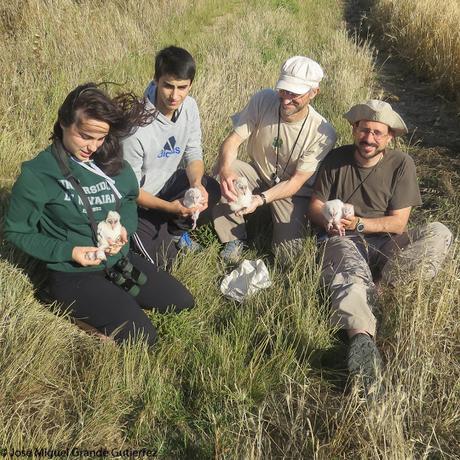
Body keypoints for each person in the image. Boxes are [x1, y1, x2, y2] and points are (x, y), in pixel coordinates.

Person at [4, 83, 194, 347]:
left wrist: (125, 231)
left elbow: (129, 198)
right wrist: (70, 252)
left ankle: (113, 299)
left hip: (118, 261)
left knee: (182, 302)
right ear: (62, 123)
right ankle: (57, 301)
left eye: (101, 137)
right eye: (84, 135)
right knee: (143, 338)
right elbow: (17, 231)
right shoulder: (38, 174)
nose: (92, 146)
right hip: (74, 273)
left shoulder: (109, 161)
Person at [309, 99, 452, 394]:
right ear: (354, 129)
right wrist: (328, 219)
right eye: (364, 131)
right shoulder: (336, 159)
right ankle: (362, 340)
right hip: (343, 239)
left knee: (439, 232)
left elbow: (399, 223)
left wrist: (358, 223)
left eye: (377, 133)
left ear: (390, 137)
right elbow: (315, 205)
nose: (369, 139)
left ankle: (382, 289)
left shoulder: (401, 164)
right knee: (347, 269)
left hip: (385, 243)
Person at [212, 55, 337, 262]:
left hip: (292, 193)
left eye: (295, 93)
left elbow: (296, 181)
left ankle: (283, 222)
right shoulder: (263, 100)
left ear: (314, 93)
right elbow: (233, 140)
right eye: (283, 90)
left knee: (288, 257)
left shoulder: (323, 133)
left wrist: (260, 199)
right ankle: (233, 237)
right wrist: (225, 168)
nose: (286, 99)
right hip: (258, 174)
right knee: (227, 166)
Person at [122, 46, 221, 264]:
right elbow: (130, 190)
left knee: (211, 189)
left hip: (166, 186)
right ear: (156, 80)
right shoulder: (135, 128)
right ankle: (157, 228)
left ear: (191, 85)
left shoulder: (190, 107)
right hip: (137, 203)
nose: (175, 96)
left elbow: (193, 152)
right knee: (163, 263)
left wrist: (196, 184)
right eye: (168, 86)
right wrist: (170, 208)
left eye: (182, 87)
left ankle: (175, 232)